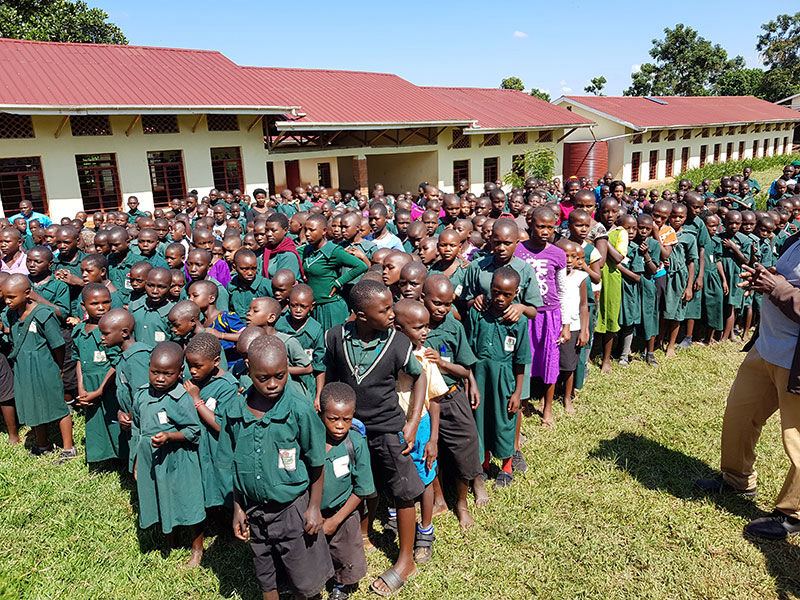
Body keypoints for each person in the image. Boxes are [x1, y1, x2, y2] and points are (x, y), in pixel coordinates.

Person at [324, 279, 427, 595]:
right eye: (384, 310)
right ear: (361, 315)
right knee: (358, 485)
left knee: (403, 490)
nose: (392, 313)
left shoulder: (397, 343)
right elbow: (330, 377)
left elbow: (419, 377)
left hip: (387, 427)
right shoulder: (336, 337)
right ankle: (363, 536)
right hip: (349, 429)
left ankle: (405, 559)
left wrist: (411, 423)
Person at [220, 335, 333, 600]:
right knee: (265, 574)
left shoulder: (299, 409)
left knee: (305, 578)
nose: (273, 384)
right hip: (254, 509)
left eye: (280, 376)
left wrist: (314, 507)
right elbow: (234, 466)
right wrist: (238, 508)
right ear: (248, 370)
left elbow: (317, 461)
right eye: (263, 378)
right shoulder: (235, 410)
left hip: (292, 508)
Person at [130, 341, 205, 566]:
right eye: (155, 372)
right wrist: (136, 461)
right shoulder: (142, 394)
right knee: (160, 495)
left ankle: (197, 546)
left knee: (187, 499)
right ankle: (168, 537)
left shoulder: (180, 398)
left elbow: (194, 430)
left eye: (167, 373)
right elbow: (136, 427)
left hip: (178, 458)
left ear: (180, 372)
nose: (160, 378)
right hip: (151, 457)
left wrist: (170, 436)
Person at [420, 274, 487, 528]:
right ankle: (438, 498)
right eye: (437, 303)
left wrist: (443, 363)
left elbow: (465, 369)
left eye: (448, 304)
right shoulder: (413, 325)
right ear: (423, 298)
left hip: (451, 396)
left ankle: (462, 501)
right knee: (428, 450)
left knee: (467, 444)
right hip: (425, 402)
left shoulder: (453, 326)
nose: (442, 309)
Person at [465, 266, 531, 488]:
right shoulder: (478, 313)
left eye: (507, 294)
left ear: (516, 293)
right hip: (480, 376)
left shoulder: (518, 321)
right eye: (496, 292)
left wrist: (517, 393)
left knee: (504, 421)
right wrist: (471, 381)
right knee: (480, 420)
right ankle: (483, 464)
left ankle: (506, 465)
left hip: (504, 378)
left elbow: (521, 360)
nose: (500, 298)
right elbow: (468, 350)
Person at [1, 274, 73, 460]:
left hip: (45, 366)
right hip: (23, 367)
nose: (7, 301)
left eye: (11, 297)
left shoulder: (43, 314)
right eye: (5, 296)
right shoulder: (12, 313)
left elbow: (58, 345)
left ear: (27, 293)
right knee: (32, 405)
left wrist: (58, 367)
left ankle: (68, 448)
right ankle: (43, 445)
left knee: (58, 405)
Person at [319, 382, 375, 600]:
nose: (340, 425)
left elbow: (362, 489)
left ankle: (341, 585)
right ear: (321, 413)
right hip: (313, 511)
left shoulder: (356, 443)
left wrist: (335, 520)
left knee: (346, 552)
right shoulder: (311, 440)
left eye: (347, 419)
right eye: (333, 419)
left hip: (344, 511)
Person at [514, 207, 569, 428]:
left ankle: (547, 408)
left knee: (550, 362)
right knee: (524, 360)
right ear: (531, 224)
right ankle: (524, 401)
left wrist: (566, 324)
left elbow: (563, 290)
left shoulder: (558, 254)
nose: (545, 231)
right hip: (526, 313)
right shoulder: (518, 250)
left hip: (550, 315)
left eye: (550, 227)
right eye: (540, 226)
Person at [183, 332, 239, 512]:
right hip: (199, 443)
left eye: (198, 366)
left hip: (217, 445)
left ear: (216, 361)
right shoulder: (193, 379)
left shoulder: (227, 385)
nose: (192, 371)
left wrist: (196, 400)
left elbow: (220, 425)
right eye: (189, 365)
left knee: (220, 479)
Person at [73, 284, 122, 463]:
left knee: (113, 419)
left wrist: (101, 390)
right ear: (83, 306)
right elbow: (78, 359)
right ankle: (102, 456)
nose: (101, 307)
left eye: (106, 302)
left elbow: (117, 363)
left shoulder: (110, 333)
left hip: (109, 385)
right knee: (95, 422)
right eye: (94, 303)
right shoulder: (79, 331)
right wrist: (81, 386)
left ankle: (121, 458)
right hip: (89, 383)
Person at [301, 214, 367, 330]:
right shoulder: (308, 250)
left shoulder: (334, 251)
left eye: (312, 230)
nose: (307, 233)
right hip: (314, 307)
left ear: (324, 231)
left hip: (330, 307)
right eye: (306, 229)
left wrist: (339, 282)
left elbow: (361, 266)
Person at [275, 284, 325, 408]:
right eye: (294, 305)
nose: (298, 310)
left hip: (306, 383)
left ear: (312, 307)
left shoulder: (315, 329)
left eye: (303, 306)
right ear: (288, 303)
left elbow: (320, 366)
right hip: (281, 382)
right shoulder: (279, 324)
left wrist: (318, 396)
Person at [554, 239, 590, 409]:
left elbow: (584, 305)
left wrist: (584, 329)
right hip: (554, 325)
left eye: (572, 256)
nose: (568, 260)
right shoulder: (551, 275)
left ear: (578, 259)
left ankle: (567, 397)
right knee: (553, 363)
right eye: (564, 255)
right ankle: (547, 396)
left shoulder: (581, 277)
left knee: (569, 365)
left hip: (574, 325)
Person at [662, 204, 697, 358]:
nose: (677, 219)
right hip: (663, 275)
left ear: (685, 217)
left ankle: (671, 345)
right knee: (662, 311)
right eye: (674, 216)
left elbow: (691, 261)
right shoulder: (662, 232)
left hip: (679, 277)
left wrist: (689, 286)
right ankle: (657, 341)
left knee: (677, 312)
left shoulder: (689, 237)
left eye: (680, 217)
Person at [130, 267, 174, 348]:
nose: (154, 291)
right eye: (150, 285)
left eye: (161, 287)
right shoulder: (134, 306)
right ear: (145, 284)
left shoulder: (173, 313)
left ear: (170, 287)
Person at [228, 248, 272, 320]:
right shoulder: (231, 286)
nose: (250, 273)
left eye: (254, 268)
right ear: (234, 267)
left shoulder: (265, 285)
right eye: (244, 269)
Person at [260, 213, 303, 280]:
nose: (268, 234)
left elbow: (282, 285)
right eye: (266, 230)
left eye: (273, 230)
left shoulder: (288, 255)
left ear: (285, 230)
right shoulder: (267, 249)